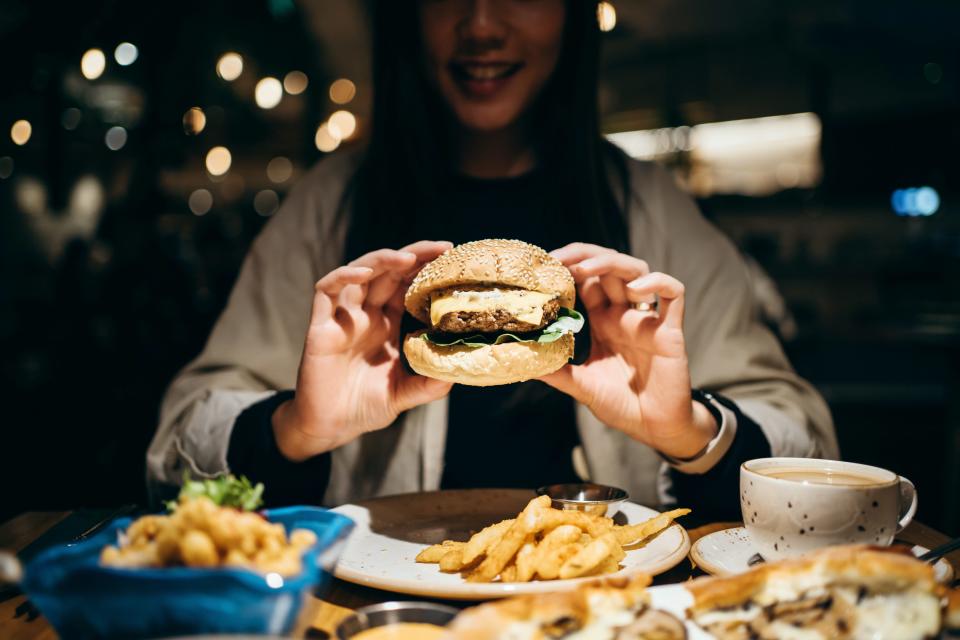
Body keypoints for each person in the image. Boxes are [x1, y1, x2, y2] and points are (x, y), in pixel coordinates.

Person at [147, 0, 837, 519]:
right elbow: (173, 455)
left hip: (602, 606)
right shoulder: (331, 207)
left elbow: (811, 452)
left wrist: (689, 432)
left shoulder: (650, 209)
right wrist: (294, 428)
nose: (481, 24)